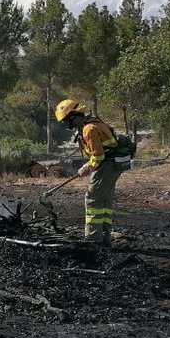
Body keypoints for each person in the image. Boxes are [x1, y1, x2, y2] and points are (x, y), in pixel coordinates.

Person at [54, 100, 121, 246]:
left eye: (66, 120)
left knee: (93, 199)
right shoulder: (92, 123)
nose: (67, 124)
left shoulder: (89, 129)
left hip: (106, 165)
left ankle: (93, 238)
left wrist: (86, 167)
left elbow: (98, 156)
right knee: (104, 200)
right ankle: (104, 237)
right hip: (111, 165)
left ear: (73, 116)